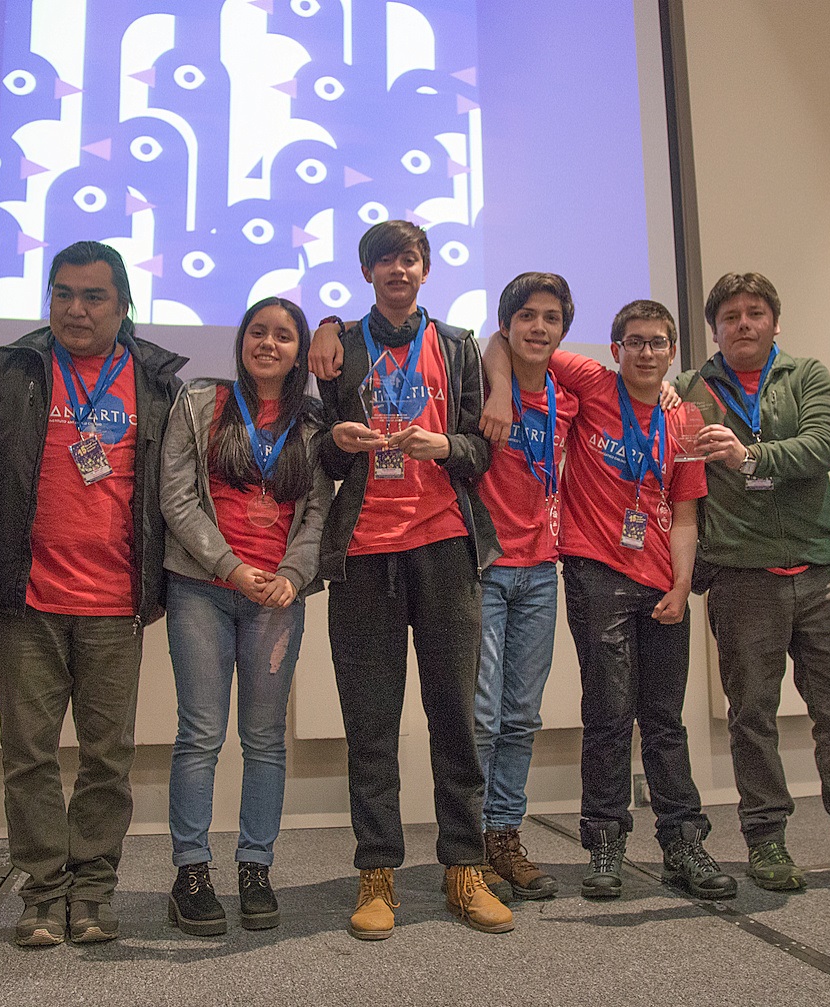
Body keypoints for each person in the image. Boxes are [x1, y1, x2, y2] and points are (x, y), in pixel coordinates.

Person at [0, 241, 186, 946]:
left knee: (107, 758)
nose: (75, 309)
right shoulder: (8, 369)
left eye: (93, 296)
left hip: (116, 602)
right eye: (63, 294)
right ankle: (42, 892)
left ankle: (91, 890)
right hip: (25, 599)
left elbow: (176, 490)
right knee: (27, 754)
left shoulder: (156, 382)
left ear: (123, 306)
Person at [484, 299, 733, 901]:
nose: (646, 352)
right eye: (635, 342)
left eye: (658, 343)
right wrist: (499, 393)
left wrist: (681, 586)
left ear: (673, 352)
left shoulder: (684, 420)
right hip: (595, 572)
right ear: (616, 349)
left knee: (665, 721)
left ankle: (682, 843)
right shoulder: (593, 382)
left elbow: (685, 514)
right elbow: (503, 341)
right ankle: (604, 842)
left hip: (663, 582)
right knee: (608, 716)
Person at [306, 219, 512, 938]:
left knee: (456, 716)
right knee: (370, 721)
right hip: (363, 553)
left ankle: (465, 867)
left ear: (426, 269)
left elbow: (480, 451)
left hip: (446, 547)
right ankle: (377, 873)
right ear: (368, 272)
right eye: (386, 260)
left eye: (410, 258)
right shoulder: (340, 346)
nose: (399, 269)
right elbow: (323, 452)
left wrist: (444, 444)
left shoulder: (456, 346)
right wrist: (337, 439)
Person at [676, 272, 830, 896]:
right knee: (751, 717)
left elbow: (825, 445)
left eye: (755, 313)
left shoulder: (807, 376)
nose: (743, 324)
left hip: (817, 574)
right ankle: (766, 841)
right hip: (741, 579)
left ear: (775, 322)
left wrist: (748, 457)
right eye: (730, 316)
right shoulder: (689, 389)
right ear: (715, 329)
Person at [158, 297, 332, 935]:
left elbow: (318, 510)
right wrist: (231, 567)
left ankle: (255, 868)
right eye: (258, 332)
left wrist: (293, 575)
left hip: (277, 599)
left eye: (283, 336)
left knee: (264, 740)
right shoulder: (200, 402)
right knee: (200, 735)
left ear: (299, 351)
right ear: (241, 341)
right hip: (201, 588)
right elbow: (176, 497)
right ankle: (191, 872)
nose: (268, 344)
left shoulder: (312, 423)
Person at [470, 273, 579, 900]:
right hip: (487, 568)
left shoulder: (568, 395)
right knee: (482, 715)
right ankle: (470, 841)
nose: (538, 327)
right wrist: (501, 386)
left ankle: (504, 834)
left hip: (542, 571)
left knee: (521, 716)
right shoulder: (483, 381)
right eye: (527, 316)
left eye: (551, 318)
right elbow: (487, 344)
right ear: (507, 324)